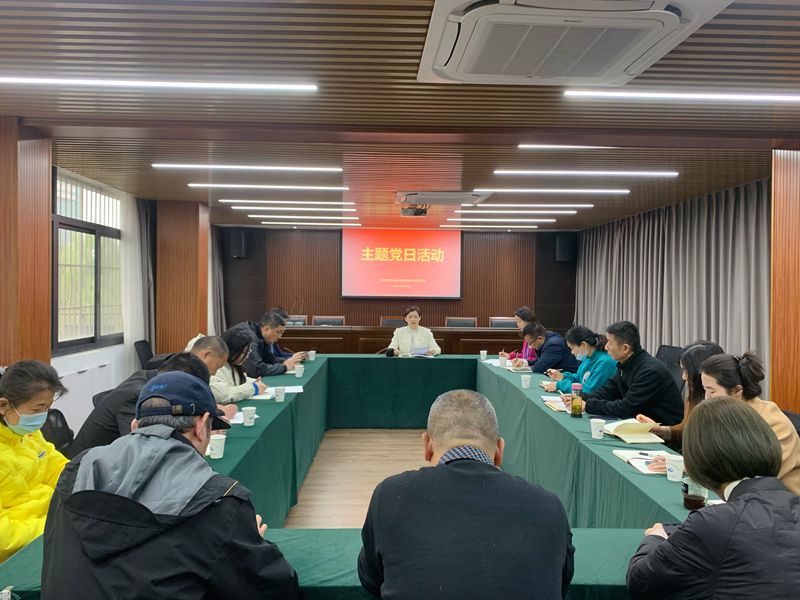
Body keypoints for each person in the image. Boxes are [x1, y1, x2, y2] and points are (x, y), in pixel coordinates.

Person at [41, 371, 300, 600]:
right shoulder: (219, 501)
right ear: (201, 425)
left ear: (134, 425)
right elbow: (274, 590)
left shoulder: (75, 471)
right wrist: (247, 544)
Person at [358, 389, 573, 600]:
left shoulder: (390, 495)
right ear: (499, 451)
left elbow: (371, 578)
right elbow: (562, 579)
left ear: (427, 446)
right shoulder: (549, 506)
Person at [627, 397, 800, 599]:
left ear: (699, 459)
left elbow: (641, 582)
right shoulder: (784, 505)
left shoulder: (714, 523)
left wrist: (655, 537)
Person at [67, 346, 234, 458]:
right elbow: (143, 448)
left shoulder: (149, 380)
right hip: (88, 475)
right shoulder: (139, 397)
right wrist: (197, 434)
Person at [701, 352, 800, 495]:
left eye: (712, 391)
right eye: (705, 389)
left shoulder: (774, 423)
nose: (706, 398)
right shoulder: (726, 414)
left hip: (782, 501)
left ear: (737, 390)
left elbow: (759, 478)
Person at [0, 360, 69, 563]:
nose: (43, 416)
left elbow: (58, 469)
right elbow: (5, 537)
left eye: (47, 408)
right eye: (37, 409)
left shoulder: (27, 433)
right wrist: (54, 526)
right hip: (21, 551)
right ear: (4, 406)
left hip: (53, 526)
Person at [583, 321, 683, 425]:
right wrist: (581, 397)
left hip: (660, 429)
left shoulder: (650, 371)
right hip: (639, 423)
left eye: (609, 342)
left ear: (625, 348)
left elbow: (627, 408)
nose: (605, 347)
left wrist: (589, 405)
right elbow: (609, 391)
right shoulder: (625, 363)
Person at [636, 341, 724, 449]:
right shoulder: (694, 395)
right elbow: (686, 429)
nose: (683, 377)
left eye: (686, 371)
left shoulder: (721, 404)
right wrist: (661, 430)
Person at [540, 325, 617, 394]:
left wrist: (560, 385)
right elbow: (578, 379)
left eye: (572, 348)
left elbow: (590, 390)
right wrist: (562, 376)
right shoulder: (588, 358)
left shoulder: (605, 361)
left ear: (583, 345)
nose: (572, 352)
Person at [211, 326, 269, 404]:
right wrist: (254, 388)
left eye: (249, 351)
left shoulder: (234, 365)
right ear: (233, 349)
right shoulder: (215, 367)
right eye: (245, 352)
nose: (247, 356)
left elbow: (239, 381)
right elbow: (223, 394)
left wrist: (253, 382)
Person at [237, 312, 304, 377]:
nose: (280, 337)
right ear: (267, 329)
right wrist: (284, 367)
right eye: (278, 332)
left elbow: (269, 359)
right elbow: (256, 369)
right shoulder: (249, 338)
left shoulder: (262, 336)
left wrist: (288, 361)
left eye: (282, 332)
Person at [512, 322, 579, 373]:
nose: (530, 346)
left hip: (571, 378)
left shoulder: (554, 345)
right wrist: (524, 362)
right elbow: (541, 360)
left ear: (540, 338)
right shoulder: (546, 337)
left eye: (530, 343)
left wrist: (522, 368)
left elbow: (539, 367)